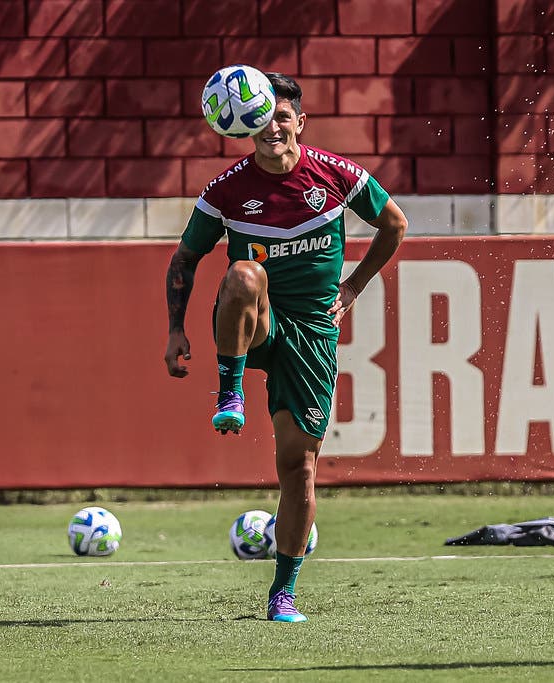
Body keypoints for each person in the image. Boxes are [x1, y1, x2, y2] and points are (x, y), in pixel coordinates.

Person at [163, 72, 407, 623]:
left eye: (282, 116)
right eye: (261, 118)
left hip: (312, 335)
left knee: (299, 467)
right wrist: (176, 330)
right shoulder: (226, 190)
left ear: (300, 122)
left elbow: (394, 223)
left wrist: (354, 285)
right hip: (255, 323)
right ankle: (230, 393)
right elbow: (184, 260)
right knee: (245, 273)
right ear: (245, 125)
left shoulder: (337, 175)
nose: (272, 126)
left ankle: (283, 593)